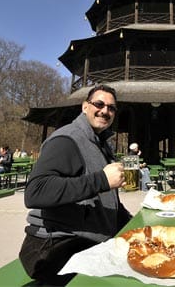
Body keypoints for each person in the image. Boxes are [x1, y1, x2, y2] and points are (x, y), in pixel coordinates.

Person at [19, 84, 132, 285]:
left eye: (111, 108)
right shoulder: (67, 139)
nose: (105, 111)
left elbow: (104, 200)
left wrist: (134, 226)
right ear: (84, 106)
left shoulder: (101, 144)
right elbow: (36, 192)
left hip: (85, 242)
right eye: (99, 104)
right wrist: (102, 180)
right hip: (55, 247)